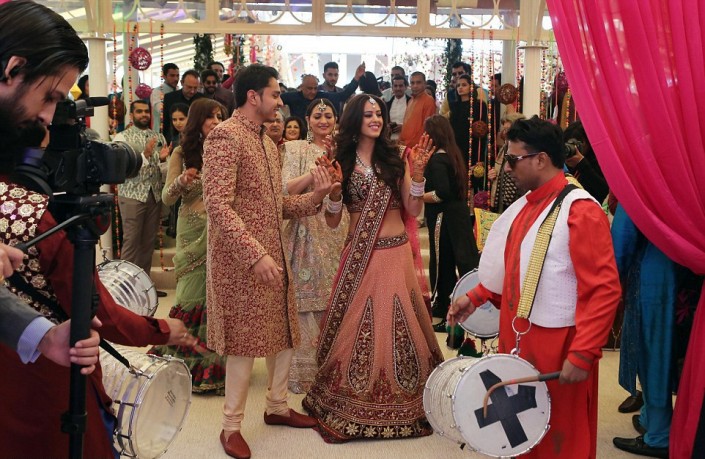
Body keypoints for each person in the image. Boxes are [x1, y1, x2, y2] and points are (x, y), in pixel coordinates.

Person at [0, 2, 196, 457]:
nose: (48, 117)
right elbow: (99, 312)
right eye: (50, 97)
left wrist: (41, 335)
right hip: (39, 393)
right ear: (13, 69)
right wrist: (161, 329)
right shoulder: (36, 214)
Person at [448, 116, 622, 458]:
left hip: (559, 345)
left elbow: (604, 290)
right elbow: (520, 271)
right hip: (519, 337)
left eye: (513, 159)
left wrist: (583, 352)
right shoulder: (530, 205)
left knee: (560, 434)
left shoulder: (581, 211)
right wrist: (477, 296)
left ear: (541, 159)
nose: (507, 168)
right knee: (522, 433)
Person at [202, 63, 334, 459]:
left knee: (284, 331)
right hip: (240, 261)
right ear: (253, 96)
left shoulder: (265, 141)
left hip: (273, 255)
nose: (280, 102)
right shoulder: (226, 136)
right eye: (275, 94)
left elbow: (276, 206)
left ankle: (276, 406)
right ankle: (230, 426)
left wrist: (316, 196)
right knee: (243, 343)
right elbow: (217, 205)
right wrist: (254, 254)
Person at [302, 94, 444, 443]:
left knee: (396, 319)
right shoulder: (341, 161)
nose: (376, 119)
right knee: (361, 322)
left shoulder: (396, 157)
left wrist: (418, 176)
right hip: (361, 254)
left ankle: (407, 398)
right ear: (355, 120)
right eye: (368, 115)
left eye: (378, 113)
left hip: (395, 252)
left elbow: (412, 208)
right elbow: (333, 221)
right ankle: (353, 396)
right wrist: (335, 193)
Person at [150, 99, 229, 394]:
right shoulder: (182, 153)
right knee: (189, 295)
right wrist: (182, 180)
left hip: (221, 231)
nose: (216, 121)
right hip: (191, 231)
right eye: (211, 117)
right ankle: (180, 362)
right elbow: (167, 198)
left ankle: (213, 369)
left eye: (220, 116)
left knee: (217, 298)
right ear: (198, 120)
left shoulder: (226, 150)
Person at [281, 98, 349, 393]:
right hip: (305, 228)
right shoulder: (295, 149)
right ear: (307, 120)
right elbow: (284, 189)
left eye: (329, 115)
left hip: (338, 225)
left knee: (338, 296)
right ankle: (303, 374)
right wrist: (315, 174)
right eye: (318, 116)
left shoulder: (347, 150)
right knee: (305, 299)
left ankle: (335, 371)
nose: (324, 120)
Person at [611, 204, 681, 458]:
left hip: (654, 273)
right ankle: (654, 417)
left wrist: (609, 281)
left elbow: (622, 239)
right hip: (690, 271)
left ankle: (659, 432)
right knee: (679, 353)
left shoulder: (641, 183)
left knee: (653, 351)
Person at [421, 115, 479, 336]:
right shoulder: (453, 155)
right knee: (461, 260)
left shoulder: (437, 160)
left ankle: (446, 309)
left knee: (442, 263)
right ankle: (461, 305)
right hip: (458, 216)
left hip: (443, 217)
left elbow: (442, 192)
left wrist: (419, 196)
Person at [0, 244, 100, 372]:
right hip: (36, 369)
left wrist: (45, 337)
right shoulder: (54, 238)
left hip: (28, 353)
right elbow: (107, 316)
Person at [114, 99, 170, 279]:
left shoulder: (159, 137)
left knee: (148, 243)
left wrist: (163, 160)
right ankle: (125, 285)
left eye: (146, 111)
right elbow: (121, 168)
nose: (144, 115)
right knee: (131, 241)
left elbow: (162, 169)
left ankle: (144, 286)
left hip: (154, 195)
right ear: (132, 115)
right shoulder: (121, 138)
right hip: (132, 195)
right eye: (139, 111)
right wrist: (144, 155)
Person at [448, 74, 489, 192]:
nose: (460, 88)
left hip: (474, 145)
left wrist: (480, 155)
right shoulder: (454, 106)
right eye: (458, 85)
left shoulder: (479, 105)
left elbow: (483, 129)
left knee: (473, 177)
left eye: (464, 85)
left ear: (471, 87)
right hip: (457, 145)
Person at [281, 63, 365, 120]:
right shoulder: (292, 96)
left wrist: (356, 78)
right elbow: (277, 99)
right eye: (309, 88)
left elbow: (343, 95)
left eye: (315, 88)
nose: (313, 91)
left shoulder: (322, 96)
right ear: (302, 87)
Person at [562, 120, 609, 204]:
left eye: (574, 144)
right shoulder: (569, 158)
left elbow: (604, 192)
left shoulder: (601, 160)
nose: (572, 148)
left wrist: (581, 163)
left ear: (586, 142)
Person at [488, 112, 526, 213]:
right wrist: (493, 174)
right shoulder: (504, 148)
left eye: (508, 129)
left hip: (518, 200)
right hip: (502, 201)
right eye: (504, 129)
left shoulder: (524, 149)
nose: (505, 133)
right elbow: (500, 172)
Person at [399, 71, 437, 148]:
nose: (415, 86)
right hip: (405, 146)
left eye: (418, 83)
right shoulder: (410, 100)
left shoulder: (429, 101)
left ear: (425, 84)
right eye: (412, 83)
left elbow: (426, 129)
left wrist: (409, 145)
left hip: (416, 147)